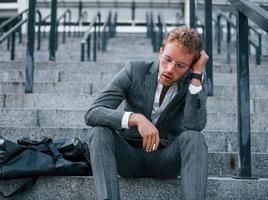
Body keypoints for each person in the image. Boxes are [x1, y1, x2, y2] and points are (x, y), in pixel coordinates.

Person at [84, 27, 209, 200]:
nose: (170, 69)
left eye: (180, 65)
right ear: (160, 52)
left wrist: (196, 76)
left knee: (194, 138)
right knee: (98, 131)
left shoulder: (194, 82)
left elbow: (195, 126)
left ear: (190, 67)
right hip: (129, 156)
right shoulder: (135, 71)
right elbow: (92, 113)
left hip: (166, 159)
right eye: (167, 59)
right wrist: (135, 119)